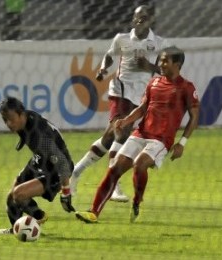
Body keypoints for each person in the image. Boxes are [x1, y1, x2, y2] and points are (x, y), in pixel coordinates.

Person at [75, 46, 200, 223]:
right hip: (140, 133)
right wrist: (125, 121)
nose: (161, 64)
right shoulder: (154, 83)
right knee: (115, 168)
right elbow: (142, 108)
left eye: (165, 61)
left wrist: (182, 143)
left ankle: (137, 199)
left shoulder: (186, 87)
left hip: (161, 140)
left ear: (177, 64)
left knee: (139, 165)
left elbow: (194, 116)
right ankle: (94, 212)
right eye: (160, 60)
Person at [70, 5, 170, 202]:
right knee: (121, 131)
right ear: (132, 19)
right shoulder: (121, 39)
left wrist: (149, 66)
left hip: (142, 96)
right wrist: (102, 69)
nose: (140, 20)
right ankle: (113, 185)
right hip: (120, 90)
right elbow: (109, 55)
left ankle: (75, 172)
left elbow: (167, 70)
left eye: (144, 17)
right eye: (137, 17)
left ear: (151, 20)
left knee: (109, 138)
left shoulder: (159, 43)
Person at [0, 96, 75, 236]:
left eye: (11, 119)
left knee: (18, 194)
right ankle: (16, 231)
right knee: (10, 197)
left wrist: (66, 193)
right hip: (40, 160)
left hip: (56, 170)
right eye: (5, 120)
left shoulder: (40, 136)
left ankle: (39, 216)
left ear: (21, 114)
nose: (8, 123)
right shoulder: (25, 119)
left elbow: (62, 163)